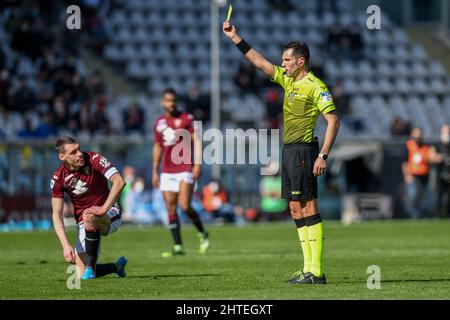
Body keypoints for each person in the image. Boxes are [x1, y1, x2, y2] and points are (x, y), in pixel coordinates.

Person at [223, 21, 340, 284]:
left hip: (304, 151)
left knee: (309, 206)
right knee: (295, 209)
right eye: (283, 60)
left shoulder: (315, 85)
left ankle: (317, 271)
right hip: (288, 150)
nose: (283, 63)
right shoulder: (287, 80)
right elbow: (260, 63)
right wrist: (235, 38)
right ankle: (307, 268)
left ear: (300, 62)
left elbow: (333, 121)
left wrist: (322, 155)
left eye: (287, 60)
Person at [50, 136, 127, 280]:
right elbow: (56, 214)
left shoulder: (94, 158)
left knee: (89, 215)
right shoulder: (58, 177)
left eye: (79, 149)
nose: (79, 153)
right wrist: (65, 245)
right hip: (84, 222)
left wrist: (104, 208)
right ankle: (116, 267)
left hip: (109, 213)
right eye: (73, 152)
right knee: (78, 274)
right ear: (62, 156)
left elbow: (119, 181)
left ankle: (90, 268)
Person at [152, 88, 209, 257]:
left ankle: (202, 232)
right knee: (171, 208)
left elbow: (197, 140)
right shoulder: (159, 123)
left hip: (185, 167)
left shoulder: (186, 118)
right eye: (168, 100)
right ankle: (178, 246)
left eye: (174, 100)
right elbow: (157, 147)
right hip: (167, 170)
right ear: (163, 102)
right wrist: (155, 171)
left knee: (184, 206)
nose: (171, 103)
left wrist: (197, 163)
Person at [401, 128, 435, 219]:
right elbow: (404, 163)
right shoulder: (409, 146)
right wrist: (407, 175)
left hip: (424, 177)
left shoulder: (426, 147)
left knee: (428, 199)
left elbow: (431, 158)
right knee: (412, 197)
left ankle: (426, 216)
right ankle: (413, 216)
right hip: (413, 176)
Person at [434, 124, 450, 217]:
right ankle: (438, 215)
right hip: (440, 174)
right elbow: (432, 157)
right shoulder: (438, 145)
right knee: (439, 195)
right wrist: (439, 158)